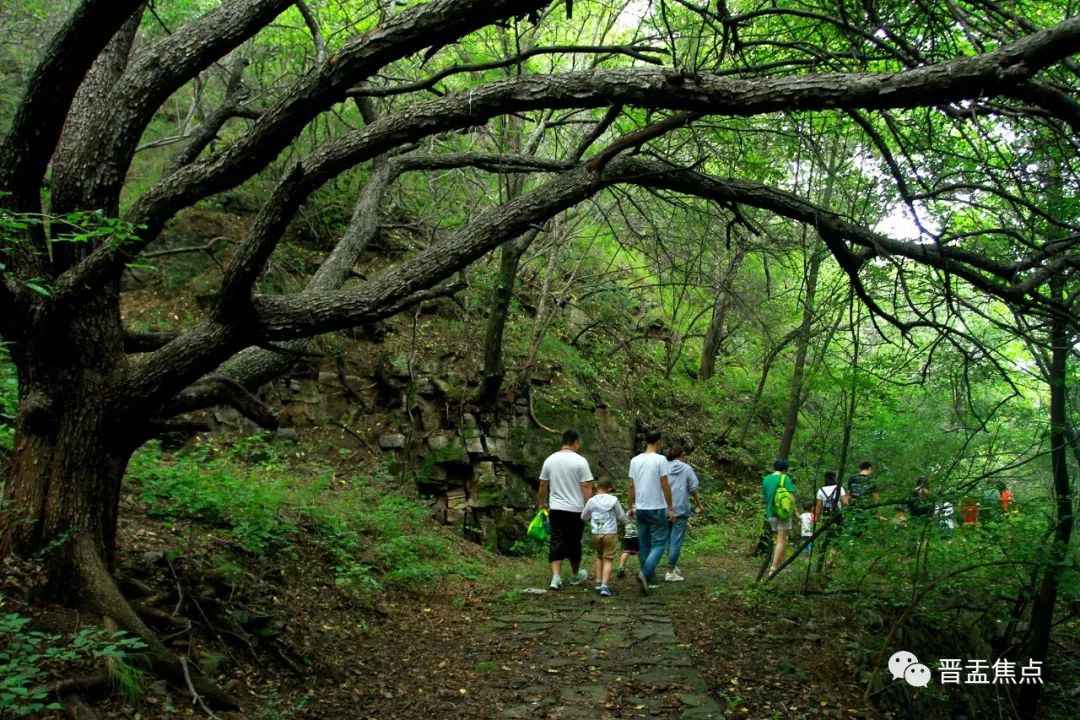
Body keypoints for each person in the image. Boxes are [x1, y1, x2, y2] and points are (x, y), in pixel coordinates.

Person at [538, 429, 593, 590]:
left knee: (556, 540)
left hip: (556, 508)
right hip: (576, 510)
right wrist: (588, 507)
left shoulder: (550, 460)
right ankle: (576, 575)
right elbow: (586, 486)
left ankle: (555, 577)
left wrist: (542, 503)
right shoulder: (581, 461)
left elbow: (543, 484)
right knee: (574, 542)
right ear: (575, 442)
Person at [628, 429, 675, 595]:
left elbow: (631, 485)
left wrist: (630, 506)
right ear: (658, 442)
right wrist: (670, 508)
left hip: (640, 508)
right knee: (660, 543)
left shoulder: (635, 460)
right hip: (657, 508)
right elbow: (665, 485)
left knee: (644, 544)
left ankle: (648, 578)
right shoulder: (660, 460)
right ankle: (645, 572)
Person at [664, 445, 704, 582]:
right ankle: (670, 572)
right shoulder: (686, 469)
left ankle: (672, 566)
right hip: (680, 509)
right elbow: (694, 488)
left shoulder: (663, 467)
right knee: (676, 540)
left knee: (669, 540)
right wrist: (699, 505)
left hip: (665, 508)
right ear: (681, 455)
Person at [581, 478, 627, 597]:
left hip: (596, 533)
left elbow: (583, 517)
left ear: (597, 486)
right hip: (610, 533)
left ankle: (598, 581)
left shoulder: (591, 501)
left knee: (599, 556)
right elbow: (621, 517)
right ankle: (605, 586)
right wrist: (621, 524)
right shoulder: (613, 499)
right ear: (610, 488)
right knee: (608, 559)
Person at [761, 459, 797, 577]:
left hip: (770, 513)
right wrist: (796, 512)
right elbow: (791, 498)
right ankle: (773, 568)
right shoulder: (785, 478)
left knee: (779, 540)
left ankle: (782, 565)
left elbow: (766, 496)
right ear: (785, 469)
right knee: (781, 540)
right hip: (783, 513)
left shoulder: (765, 479)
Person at [813, 470, 848, 571]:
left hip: (826, 516)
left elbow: (818, 506)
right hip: (838, 516)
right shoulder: (839, 488)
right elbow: (845, 503)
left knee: (828, 537)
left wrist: (816, 519)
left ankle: (824, 558)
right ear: (835, 477)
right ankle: (831, 559)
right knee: (838, 537)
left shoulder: (821, 490)